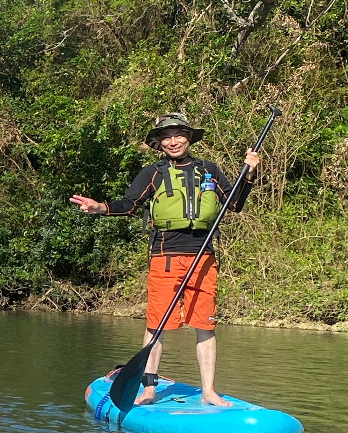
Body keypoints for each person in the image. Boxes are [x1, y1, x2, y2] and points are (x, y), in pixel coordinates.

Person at [70, 112, 260, 407]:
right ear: (158, 143)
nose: (174, 141)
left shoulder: (208, 170)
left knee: (205, 324)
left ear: (189, 137)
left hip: (204, 256)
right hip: (166, 255)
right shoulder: (153, 173)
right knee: (157, 324)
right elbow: (128, 204)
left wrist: (248, 174)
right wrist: (100, 207)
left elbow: (234, 203)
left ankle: (209, 391)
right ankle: (148, 389)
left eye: (179, 135)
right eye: (166, 137)